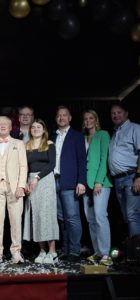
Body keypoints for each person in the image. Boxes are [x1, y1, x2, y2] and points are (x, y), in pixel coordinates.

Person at [0, 116, 27, 264]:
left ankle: (16, 251)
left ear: (10, 128)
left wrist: (21, 186)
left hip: (14, 187)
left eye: (5, 124)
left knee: (15, 221)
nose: (2, 126)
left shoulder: (19, 144)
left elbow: (23, 166)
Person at [52, 105, 86, 262]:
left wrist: (81, 182)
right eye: (59, 115)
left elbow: (81, 160)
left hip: (70, 182)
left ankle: (75, 250)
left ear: (70, 118)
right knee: (61, 218)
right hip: (54, 181)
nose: (61, 118)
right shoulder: (52, 136)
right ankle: (65, 249)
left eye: (64, 115)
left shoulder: (77, 136)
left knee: (72, 217)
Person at [23, 119, 59, 264]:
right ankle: (42, 251)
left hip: (44, 180)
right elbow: (24, 166)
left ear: (44, 130)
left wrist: (37, 177)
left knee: (47, 215)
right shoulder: (27, 146)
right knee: (35, 215)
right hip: (31, 181)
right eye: (33, 127)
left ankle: (52, 251)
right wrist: (25, 182)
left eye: (39, 127)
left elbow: (52, 164)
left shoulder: (49, 144)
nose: (36, 129)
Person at [82, 109, 113, 266]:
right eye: (86, 119)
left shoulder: (103, 135)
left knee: (100, 216)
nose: (88, 121)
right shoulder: (83, 137)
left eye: (91, 118)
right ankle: (98, 252)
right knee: (90, 219)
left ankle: (106, 253)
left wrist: (98, 181)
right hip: (85, 183)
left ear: (96, 119)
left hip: (100, 182)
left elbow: (104, 158)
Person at [108, 101, 140, 240]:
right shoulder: (115, 133)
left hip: (131, 177)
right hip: (118, 180)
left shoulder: (135, 128)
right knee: (126, 216)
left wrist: (139, 176)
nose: (116, 115)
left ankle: (136, 254)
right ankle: (132, 251)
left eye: (119, 112)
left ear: (126, 113)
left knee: (133, 214)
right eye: (113, 113)